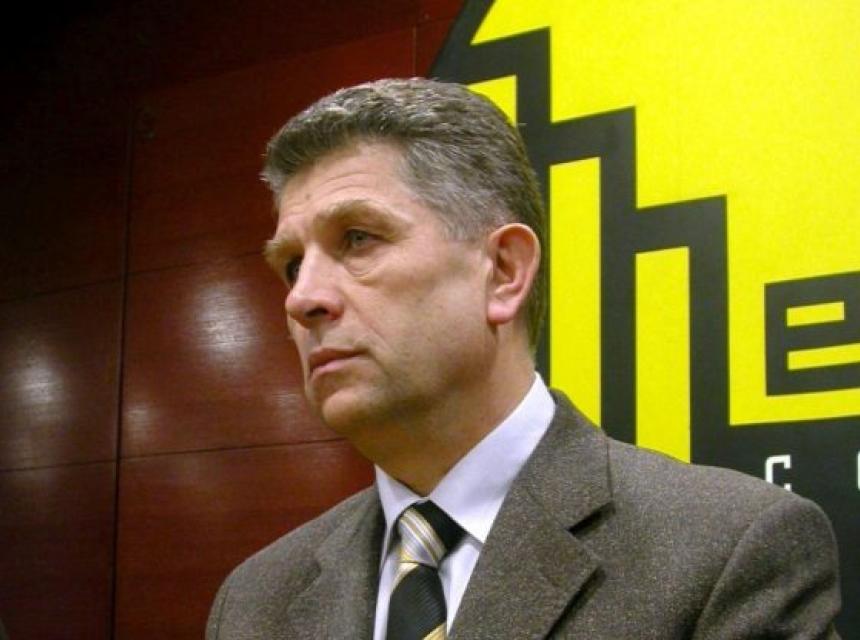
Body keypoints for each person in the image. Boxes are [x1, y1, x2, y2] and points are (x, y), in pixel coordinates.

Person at [206, 78, 841, 639]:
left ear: (504, 271)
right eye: (292, 265)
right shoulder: (256, 600)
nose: (302, 298)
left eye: (358, 239)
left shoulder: (726, 551)